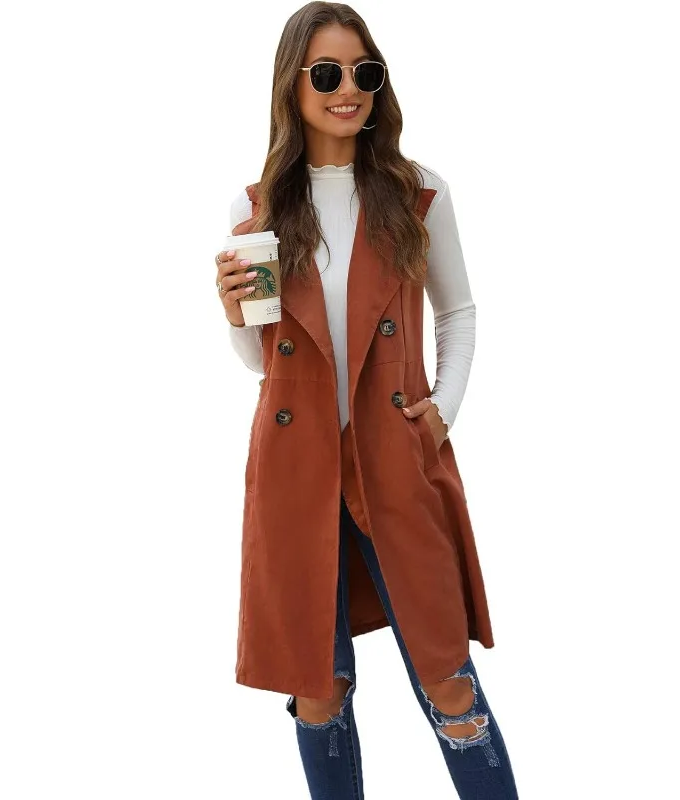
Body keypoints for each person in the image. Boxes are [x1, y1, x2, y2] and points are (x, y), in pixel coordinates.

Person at [214, 3, 519, 798]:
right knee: (318, 692)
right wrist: (235, 315)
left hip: (396, 462)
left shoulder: (417, 192)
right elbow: (262, 365)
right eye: (326, 74)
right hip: (296, 470)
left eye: (364, 73)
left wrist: (442, 410)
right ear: (292, 86)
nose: (347, 89)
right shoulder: (257, 210)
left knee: (449, 683)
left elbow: (458, 312)